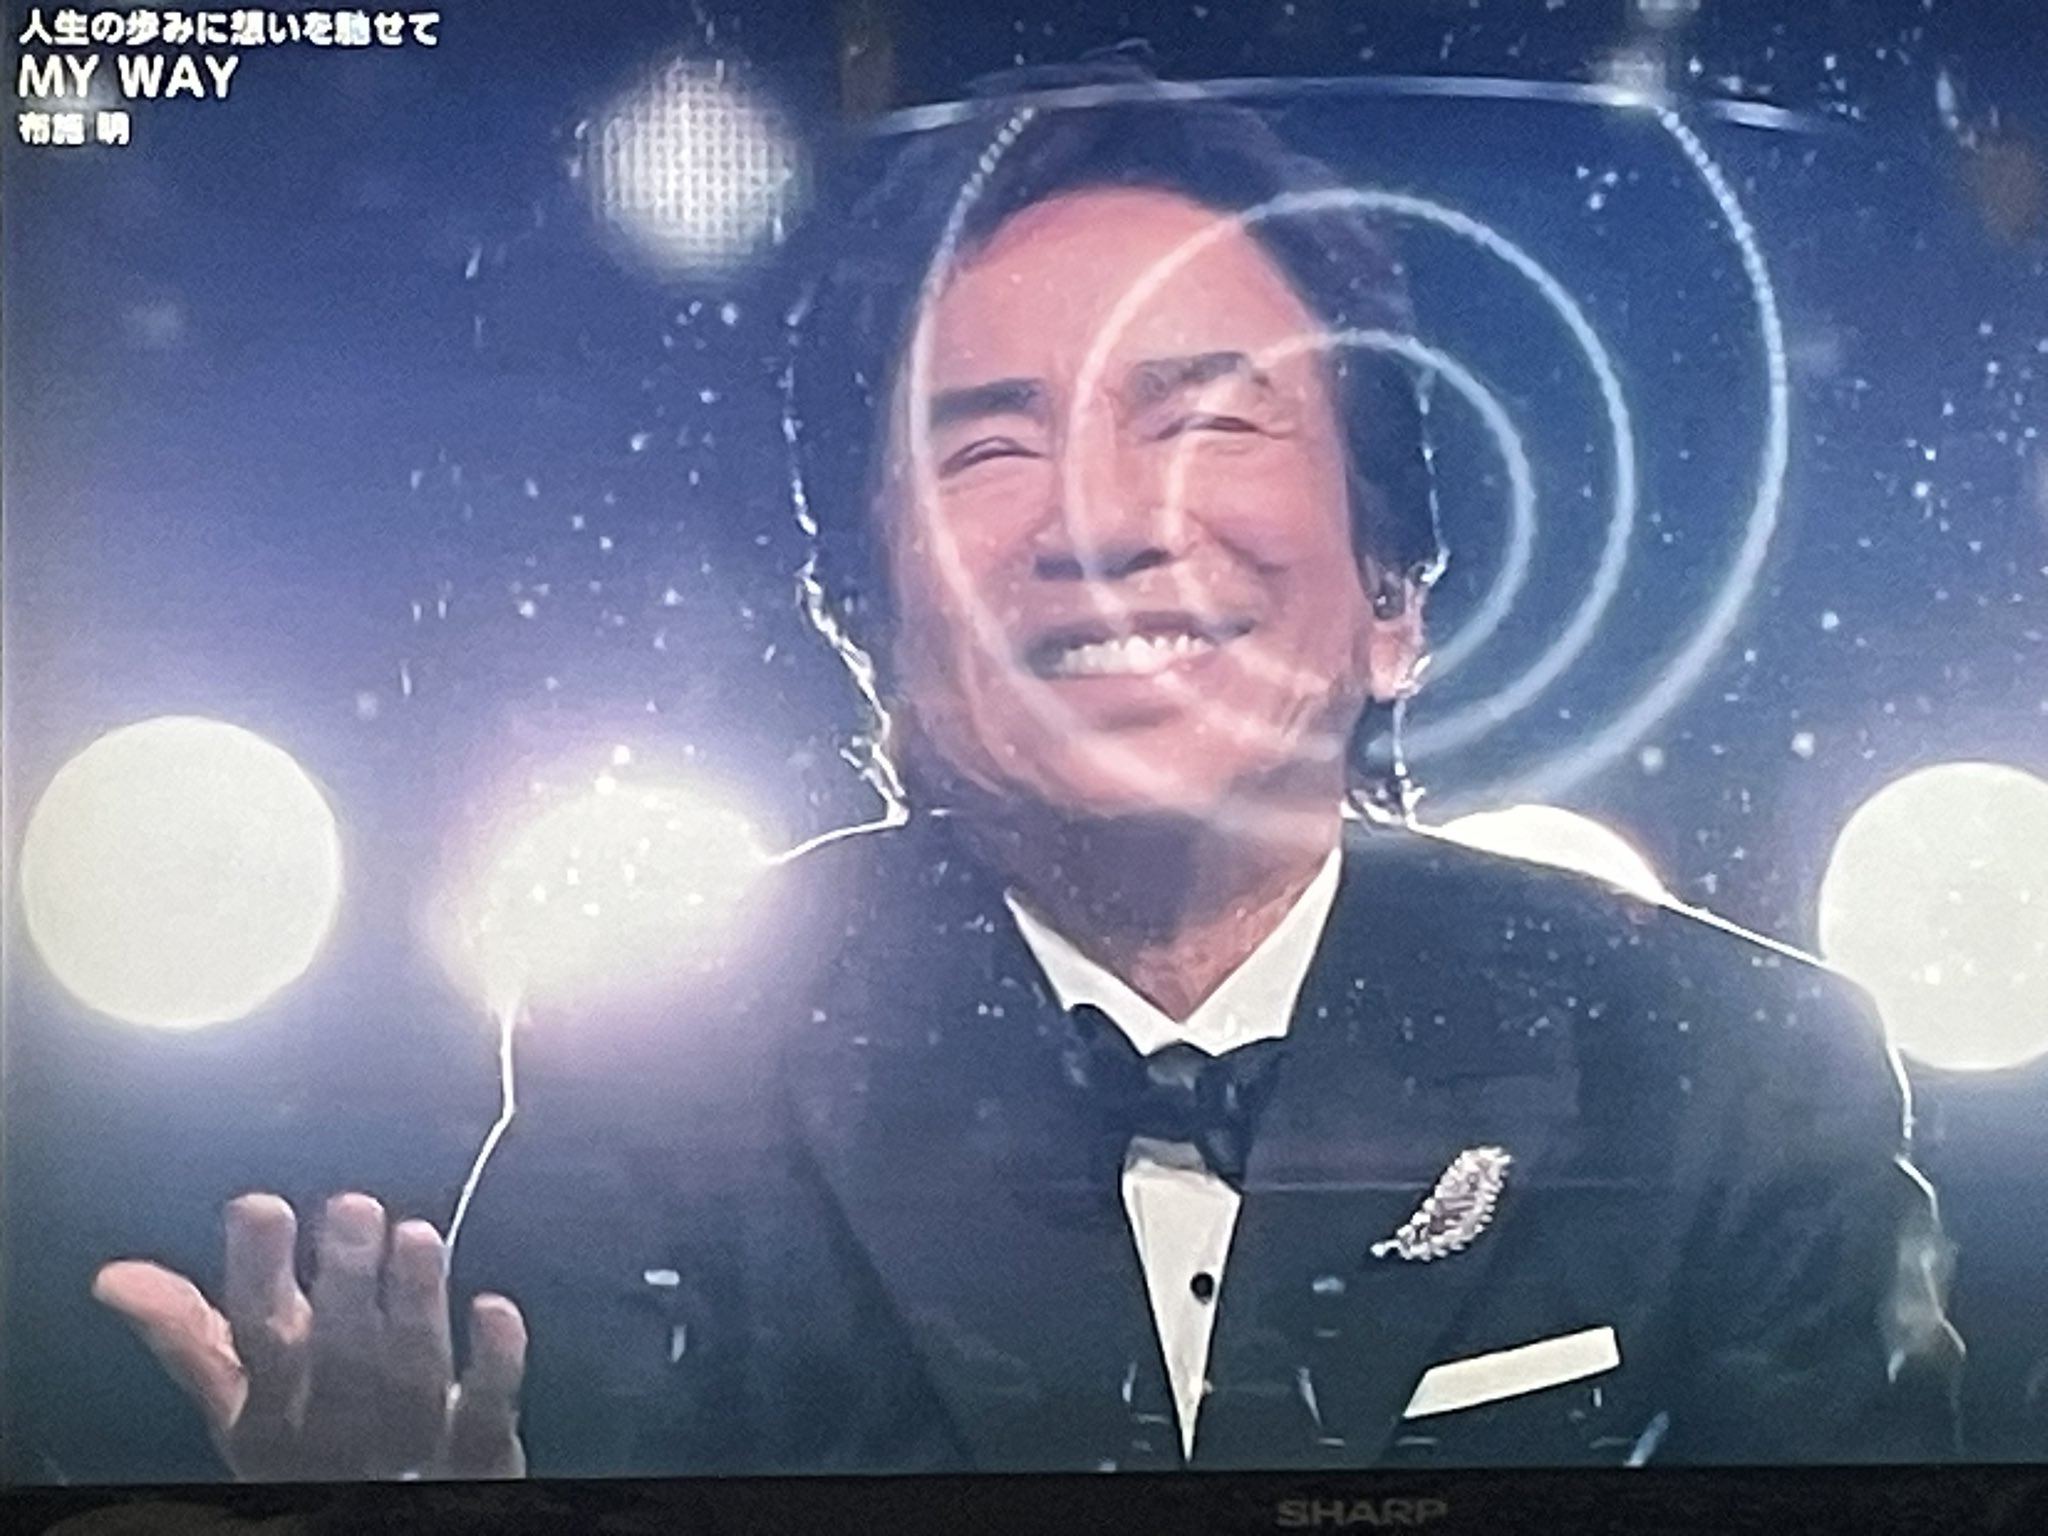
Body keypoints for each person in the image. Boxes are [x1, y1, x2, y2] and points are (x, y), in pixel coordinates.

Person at [92, 58, 1964, 1477]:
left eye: (1207, 418)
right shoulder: (656, 1083)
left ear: (1394, 600)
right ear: (871, 625)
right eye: (990, 448)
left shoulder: (1726, 1070)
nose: (1105, 522)